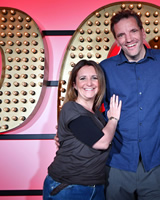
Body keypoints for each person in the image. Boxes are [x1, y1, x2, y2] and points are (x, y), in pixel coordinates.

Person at [100, 10, 160, 200]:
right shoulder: (105, 68)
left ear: (143, 32)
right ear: (116, 40)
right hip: (117, 164)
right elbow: (89, 106)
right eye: (121, 35)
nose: (128, 39)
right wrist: (69, 130)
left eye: (133, 31)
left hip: (155, 164)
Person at [43, 60, 122, 200]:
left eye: (94, 78)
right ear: (74, 84)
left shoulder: (95, 113)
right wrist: (113, 119)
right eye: (82, 78)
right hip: (69, 187)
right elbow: (102, 142)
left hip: (93, 185)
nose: (89, 83)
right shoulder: (71, 108)